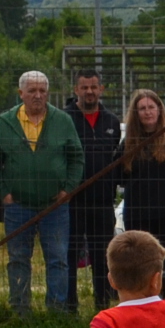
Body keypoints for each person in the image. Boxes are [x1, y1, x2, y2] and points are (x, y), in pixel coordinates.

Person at [0, 70, 85, 315]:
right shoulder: (5, 123)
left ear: (48, 93)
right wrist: (4, 193)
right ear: (21, 93)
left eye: (42, 91)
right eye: (32, 91)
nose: (38, 95)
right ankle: (20, 311)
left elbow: (76, 157)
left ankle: (57, 313)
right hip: (18, 205)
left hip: (55, 206)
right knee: (18, 259)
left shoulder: (62, 121)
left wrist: (68, 190)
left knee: (58, 259)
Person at [118, 90, 165, 308]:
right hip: (137, 213)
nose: (147, 112)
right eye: (142, 108)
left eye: (151, 107)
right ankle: (142, 305)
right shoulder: (128, 143)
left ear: (159, 110)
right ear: (136, 114)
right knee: (140, 264)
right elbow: (118, 176)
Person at [66, 70, 123, 312]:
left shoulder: (112, 121)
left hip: (102, 201)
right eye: (84, 87)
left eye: (93, 87)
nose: (89, 92)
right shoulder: (64, 119)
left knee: (102, 256)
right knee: (69, 254)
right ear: (75, 90)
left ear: (101, 89)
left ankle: (103, 305)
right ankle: (69, 308)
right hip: (72, 200)